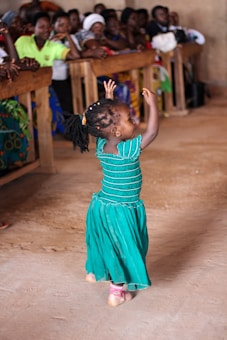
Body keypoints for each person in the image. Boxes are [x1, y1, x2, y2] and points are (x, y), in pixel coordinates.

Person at [65, 79, 159, 306]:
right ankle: (116, 292)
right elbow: (152, 132)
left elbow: (99, 122)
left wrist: (108, 98)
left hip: (103, 205)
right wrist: (153, 105)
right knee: (124, 247)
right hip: (121, 210)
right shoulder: (126, 150)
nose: (134, 121)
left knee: (106, 242)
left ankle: (95, 270)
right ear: (116, 130)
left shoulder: (102, 145)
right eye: (130, 120)